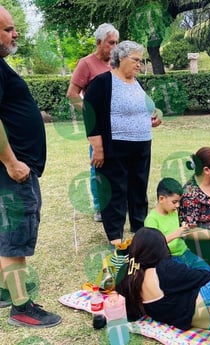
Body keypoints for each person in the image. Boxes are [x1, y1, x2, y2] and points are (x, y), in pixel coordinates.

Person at [0, 6, 61, 327]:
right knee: (15, 235)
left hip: (14, 167)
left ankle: (5, 290)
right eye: (8, 29)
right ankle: (21, 307)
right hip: (14, 170)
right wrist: (11, 162)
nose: (16, 33)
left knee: (6, 230)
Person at [83, 40, 162, 246]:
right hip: (114, 146)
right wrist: (98, 148)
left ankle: (139, 228)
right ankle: (115, 236)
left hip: (142, 144)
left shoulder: (136, 83)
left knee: (138, 187)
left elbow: (148, 108)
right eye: (135, 60)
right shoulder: (103, 82)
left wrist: (155, 116)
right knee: (115, 189)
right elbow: (89, 114)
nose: (139, 64)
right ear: (121, 58)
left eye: (141, 60)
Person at [67, 23, 119, 223]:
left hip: (118, 126)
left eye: (116, 42)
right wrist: (92, 114)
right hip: (98, 128)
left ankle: (117, 202)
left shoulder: (117, 63)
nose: (114, 47)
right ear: (99, 43)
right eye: (110, 43)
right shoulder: (86, 64)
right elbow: (72, 94)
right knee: (98, 165)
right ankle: (100, 207)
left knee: (118, 165)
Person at [144, 177, 210, 272]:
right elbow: (153, 246)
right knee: (188, 276)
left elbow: (179, 228)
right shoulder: (152, 219)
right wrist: (176, 234)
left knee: (207, 270)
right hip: (168, 258)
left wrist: (185, 228)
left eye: (179, 201)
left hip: (184, 252)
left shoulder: (173, 211)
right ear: (161, 199)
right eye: (174, 202)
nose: (178, 205)